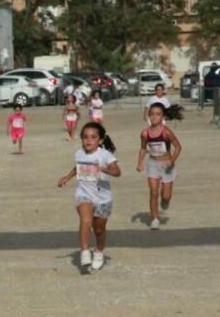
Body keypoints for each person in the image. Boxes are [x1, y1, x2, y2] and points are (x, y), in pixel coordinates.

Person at [57, 122, 121, 272]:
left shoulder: (105, 155)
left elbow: (117, 172)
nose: (88, 140)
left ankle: (99, 252)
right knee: (85, 219)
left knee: (99, 229)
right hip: (84, 194)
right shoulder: (79, 153)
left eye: (93, 137)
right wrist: (67, 177)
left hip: (103, 198)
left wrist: (104, 169)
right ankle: (85, 251)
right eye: (85, 137)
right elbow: (77, 167)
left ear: (100, 140)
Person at [136, 102, 183, 230]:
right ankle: (155, 218)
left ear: (163, 116)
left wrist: (172, 160)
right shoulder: (145, 133)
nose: (154, 117)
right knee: (153, 192)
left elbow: (178, 147)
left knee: (166, 196)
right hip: (153, 164)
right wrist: (140, 162)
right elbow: (143, 148)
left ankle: (165, 201)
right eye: (151, 114)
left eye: (157, 114)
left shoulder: (166, 132)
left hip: (167, 166)